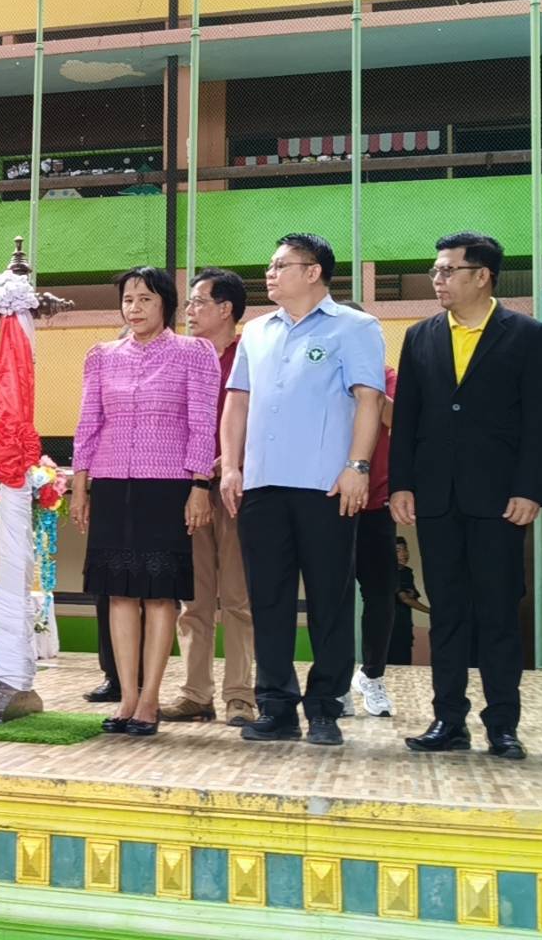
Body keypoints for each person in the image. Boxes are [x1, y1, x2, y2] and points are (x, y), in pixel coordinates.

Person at [390, 232, 542, 761]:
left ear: (482, 276)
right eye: (435, 271)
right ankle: (448, 720)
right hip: (437, 498)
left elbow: (539, 421)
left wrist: (530, 489)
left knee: (498, 612)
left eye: (447, 271)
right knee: (447, 612)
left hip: (500, 500)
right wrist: (401, 484)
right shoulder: (420, 336)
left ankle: (502, 725)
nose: (437, 280)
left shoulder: (528, 335)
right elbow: (407, 417)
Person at [220, 233, 385, 747]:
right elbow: (237, 402)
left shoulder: (355, 327)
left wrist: (357, 466)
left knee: (330, 601)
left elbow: (369, 399)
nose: (269, 274)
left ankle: (325, 708)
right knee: (267, 600)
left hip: (326, 487)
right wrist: (231, 467)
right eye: (269, 265)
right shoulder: (256, 331)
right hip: (262, 485)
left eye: (280, 265)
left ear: (313, 272)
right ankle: (276, 707)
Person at [69, 267, 219, 737]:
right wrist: (80, 484)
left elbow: (203, 423)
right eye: (128, 300)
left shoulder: (195, 353)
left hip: (168, 484)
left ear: (165, 304)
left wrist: (200, 485)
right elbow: (88, 422)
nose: (134, 308)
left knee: (158, 595)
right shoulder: (101, 356)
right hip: (112, 482)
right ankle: (127, 698)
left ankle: (150, 700)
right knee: (118, 592)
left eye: (145, 299)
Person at [160, 268, 256, 728]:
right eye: (189, 303)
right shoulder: (180, 356)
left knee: (238, 598)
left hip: (239, 489)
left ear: (226, 309)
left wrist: (231, 460)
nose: (190, 311)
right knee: (193, 601)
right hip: (189, 491)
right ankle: (195, 693)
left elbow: (265, 418)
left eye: (199, 302)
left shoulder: (252, 355)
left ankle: (240, 696)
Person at [341, 353, 398, 719]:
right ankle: (336, 682)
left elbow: (398, 420)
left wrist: (369, 391)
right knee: (334, 595)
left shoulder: (387, 376)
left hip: (376, 501)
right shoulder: (324, 371)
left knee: (381, 593)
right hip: (330, 501)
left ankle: (372, 675)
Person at [391, 536, 425, 666]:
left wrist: (410, 595)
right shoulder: (389, 572)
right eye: (398, 550)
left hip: (404, 626)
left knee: (404, 662)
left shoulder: (407, 573)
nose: (404, 554)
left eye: (405, 549)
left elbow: (412, 595)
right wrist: (432, 611)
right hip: (390, 628)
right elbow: (405, 599)